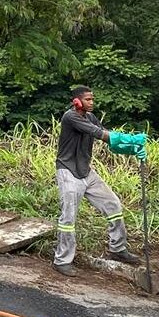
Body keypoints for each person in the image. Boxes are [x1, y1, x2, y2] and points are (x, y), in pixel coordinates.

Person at [52, 85, 146, 277]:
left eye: (93, 99)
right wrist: (129, 138)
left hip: (86, 171)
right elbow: (100, 134)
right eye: (88, 99)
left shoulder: (91, 117)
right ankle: (62, 261)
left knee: (113, 205)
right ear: (77, 101)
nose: (92, 103)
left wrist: (131, 149)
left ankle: (118, 249)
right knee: (68, 218)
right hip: (68, 172)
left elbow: (107, 139)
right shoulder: (70, 117)